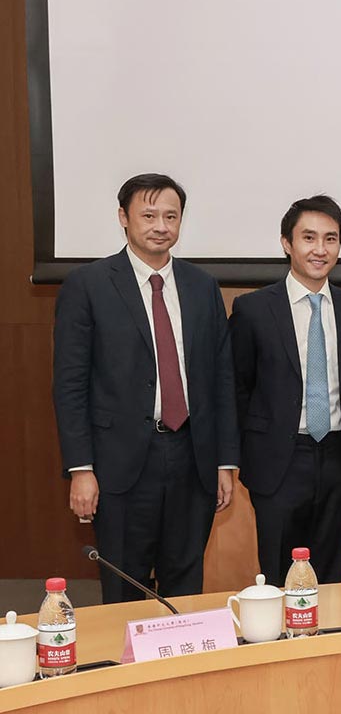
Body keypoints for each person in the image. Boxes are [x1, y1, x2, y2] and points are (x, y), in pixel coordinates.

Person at [51, 173, 239, 601]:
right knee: (124, 583)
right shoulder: (88, 285)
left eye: (171, 216)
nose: (161, 226)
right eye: (149, 215)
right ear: (123, 217)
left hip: (192, 455)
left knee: (185, 581)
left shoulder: (202, 286)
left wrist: (225, 460)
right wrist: (81, 468)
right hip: (118, 463)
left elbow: (221, 378)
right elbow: (70, 385)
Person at [229, 195, 341, 585]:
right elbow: (238, 388)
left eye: (330, 238)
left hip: (338, 456)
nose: (320, 249)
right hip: (278, 459)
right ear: (286, 243)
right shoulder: (253, 309)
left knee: (331, 574)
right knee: (280, 576)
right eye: (309, 238)